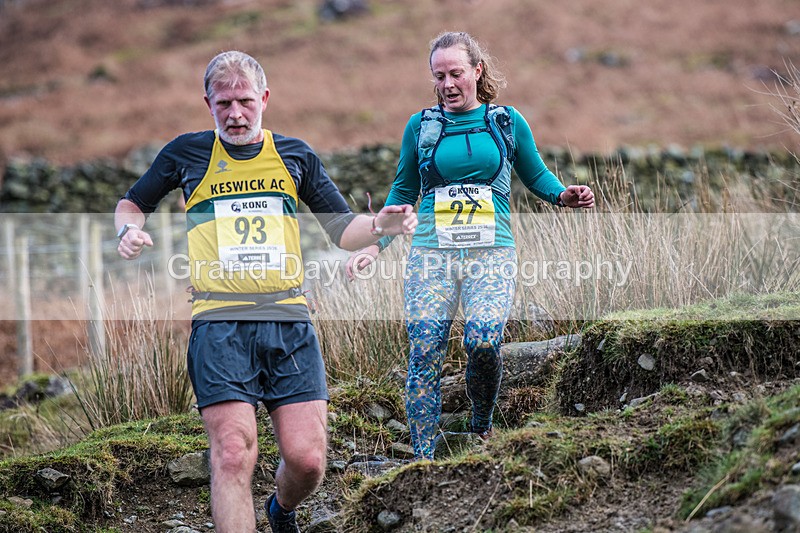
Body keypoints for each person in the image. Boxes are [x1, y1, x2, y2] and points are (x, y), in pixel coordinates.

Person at [115, 50, 416, 533]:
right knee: (233, 454)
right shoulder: (185, 154)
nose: (235, 114)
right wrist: (126, 231)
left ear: (265, 99)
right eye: (224, 103)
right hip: (219, 325)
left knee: (308, 462)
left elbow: (342, 231)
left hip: (289, 321)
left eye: (246, 102)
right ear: (208, 102)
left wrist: (381, 224)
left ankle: (281, 511)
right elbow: (132, 202)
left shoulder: (294, 155)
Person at [346, 31, 594, 460]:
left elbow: (535, 175)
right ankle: (423, 457)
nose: (447, 84)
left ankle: (481, 426)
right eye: (439, 76)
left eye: (455, 73)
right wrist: (372, 247)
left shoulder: (505, 122)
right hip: (430, 255)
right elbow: (403, 193)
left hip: (490, 253)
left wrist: (563, 196)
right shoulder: (421, 127)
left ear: (477, 72)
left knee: (482, 340)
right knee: (424, 347)